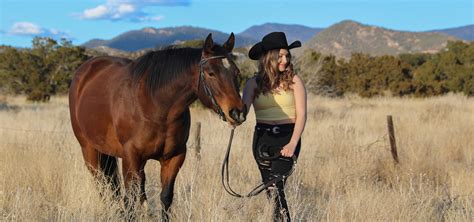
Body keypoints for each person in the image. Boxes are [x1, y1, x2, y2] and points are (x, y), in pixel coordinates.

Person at [242, 32, 307, 221]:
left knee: (277, 185)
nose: (285, 60)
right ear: (269, 57)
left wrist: (293, 143)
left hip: (288, 137)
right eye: (280, 56)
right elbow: (242, 112)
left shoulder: (295, 81)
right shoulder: (253, 83)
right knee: (270, 189)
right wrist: (233, 118)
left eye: (287, 56)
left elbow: (302, 115)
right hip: (262, 139)